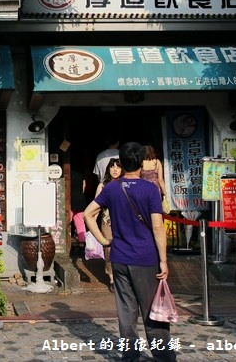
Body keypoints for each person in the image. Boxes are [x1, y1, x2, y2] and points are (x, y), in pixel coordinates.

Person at [84, 142, 175, 362]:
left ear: (122, 163)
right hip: (146, 258)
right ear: (142, 164)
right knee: (152, 309)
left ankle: (130, 354)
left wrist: (104, 240)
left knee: (126, 311)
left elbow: (88, 214)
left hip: (119, 257)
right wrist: (163, 260)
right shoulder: (150, 189)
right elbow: (157, 226)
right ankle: (163, 356)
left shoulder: (112, 188)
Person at [94, 158, 123, 292]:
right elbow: (95, 207)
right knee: (109, 249)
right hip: (107, 222)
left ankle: (122, 277)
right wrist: (92, 223)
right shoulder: (102, 185)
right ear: (108, 169)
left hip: (123, 221)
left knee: (123, 247)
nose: (115, 169)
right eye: (112, 167)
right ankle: (112, 278)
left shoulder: (125, 184)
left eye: (118, 167)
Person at [141, 145, 168, 212]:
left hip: (143, 189)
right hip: (155, 189)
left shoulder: (141, 163)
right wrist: (165, 193)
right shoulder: (157, 162)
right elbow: (160, 179)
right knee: (155, 210)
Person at [69, 169, 87, 251]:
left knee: (67, 222)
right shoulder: (81, 174)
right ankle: (82, 242)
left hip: (70, 200)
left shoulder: (67, 175)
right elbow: (83, 187)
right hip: (80, 200)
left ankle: (67, 241)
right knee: (80, 223)